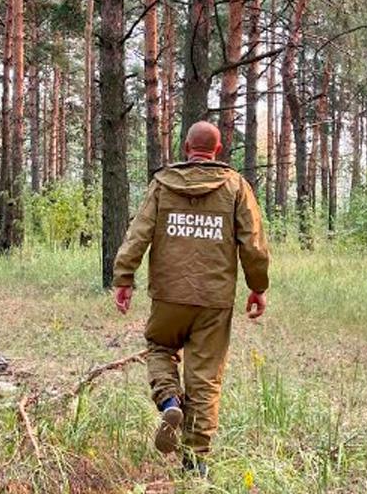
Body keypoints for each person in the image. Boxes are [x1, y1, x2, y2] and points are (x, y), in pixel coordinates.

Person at [112, 121, 270, 475]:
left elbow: (137, 234)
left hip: (169, 294)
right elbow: (254, 244)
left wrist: (124, 277)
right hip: (214, 299)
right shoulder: (235, 187)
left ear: (186, 147)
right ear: (217, 150)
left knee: (158, 347)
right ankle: (195, 462)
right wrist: (257, 287)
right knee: (205, 377)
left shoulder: (162, 185)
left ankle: (169, 399)